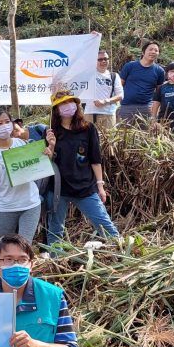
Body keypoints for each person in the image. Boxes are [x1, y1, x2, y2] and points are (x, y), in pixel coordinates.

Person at [45, 90, 120, 249]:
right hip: (58, 189)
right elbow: (47, 162)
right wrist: (51, 146)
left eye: (70, 102)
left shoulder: (88, 128)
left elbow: (95, 159)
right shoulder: (51, 132)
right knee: (55, 230)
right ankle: (56, 259)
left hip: (85, 187)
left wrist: (100, 186)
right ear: (56, 109)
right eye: (63, 104)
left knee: (104, 225)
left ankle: (120, 250)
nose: (68, 106)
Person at [0, 108, 55, 244]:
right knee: (5, 247)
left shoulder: (23, 144)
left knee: (24, 246)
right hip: (6, 207)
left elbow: (39, 167)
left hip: (31, 204)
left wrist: (51, 149)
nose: (4, 126)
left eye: (7, 122)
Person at [118, 41, 165, 126]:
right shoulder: (130, 66)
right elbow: (119, 85)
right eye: (150, 49)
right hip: (126, 106)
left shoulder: (159, 71)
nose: (153, 52)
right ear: (143, 52)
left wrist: (155, 109)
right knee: (123, 132)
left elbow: (159, 92)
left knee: (145, 132)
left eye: (156, 50)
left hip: (147, 108)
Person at [83, 50, 124, 129]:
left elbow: (120, 95)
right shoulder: (88, 75)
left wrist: (105, 101)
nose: (103, 61)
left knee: (108, 137)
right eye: (100, 59)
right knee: (89, 137)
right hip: (89, 113)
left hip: (108, 114)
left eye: (106, 59)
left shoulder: (114, 76)